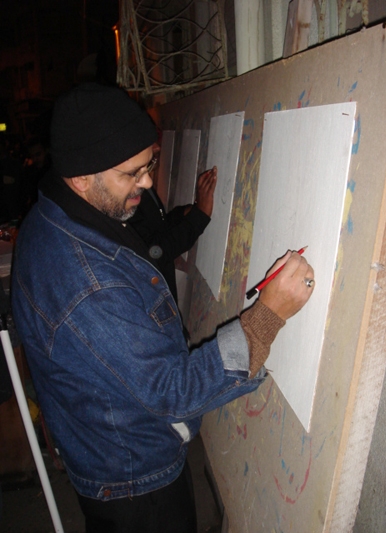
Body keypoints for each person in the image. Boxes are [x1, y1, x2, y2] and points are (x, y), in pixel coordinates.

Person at [11, 82, 315, 533]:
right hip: (134, 481)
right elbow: (172, 392)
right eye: (132, 173)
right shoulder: (86, 285)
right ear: (81, 178)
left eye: (149, 164)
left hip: (108, 450)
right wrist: (267, 316)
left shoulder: (59, 215)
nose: (148, 181)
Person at [128, 168, 216, 303]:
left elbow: (157, 226)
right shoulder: (111, 209)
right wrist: (199, 217)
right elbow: (152, 254)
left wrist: (186, 213)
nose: (149, 181)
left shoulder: (135, 183)